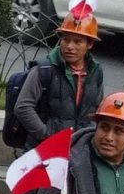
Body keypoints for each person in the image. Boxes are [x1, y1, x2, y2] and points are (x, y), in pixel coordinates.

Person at [9, 11, 104, 153]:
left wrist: (87, 138)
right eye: (66, 40)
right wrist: (46, 134)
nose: (70, 46)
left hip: (79, 151)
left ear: (89, 44)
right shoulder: (44, 69)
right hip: (44, 151)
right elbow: (23, 107)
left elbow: (97, 110)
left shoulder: (96, 71)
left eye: (78, 42)